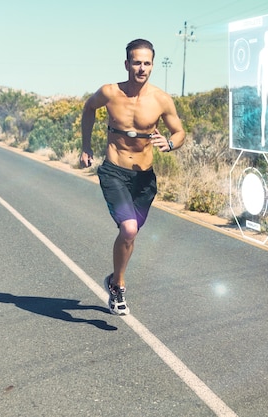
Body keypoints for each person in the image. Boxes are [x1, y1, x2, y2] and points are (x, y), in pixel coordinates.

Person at [80, 39, 185, 315]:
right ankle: (120, 287)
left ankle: (114, 279)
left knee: (131, 234)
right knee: (128, 229)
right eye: (136, 62)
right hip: (114, 170)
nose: (142, 68)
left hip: (144, 179)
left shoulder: (161, 100)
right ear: (127, 64)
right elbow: (89, 108)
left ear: (152, 65)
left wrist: (171, 144)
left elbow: (179, 132)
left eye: (147, 63)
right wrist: (86, 146)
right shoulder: (110, 93)